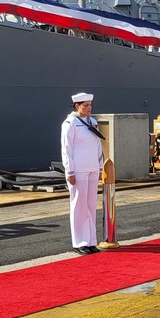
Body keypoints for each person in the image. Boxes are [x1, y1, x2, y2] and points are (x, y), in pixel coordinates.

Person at [60, 92, 104, 254]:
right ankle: (79, 242)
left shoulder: (92, 122)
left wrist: (100, 168)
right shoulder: (70, 123)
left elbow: (98, 146)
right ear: (77, 106)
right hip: (77, 170)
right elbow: (67, 149)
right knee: (79, 206)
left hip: (92, 168)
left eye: (90, 105)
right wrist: (69, 170)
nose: (89, 108)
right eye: (85, 105)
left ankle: (91, 240)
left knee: (91, 205)